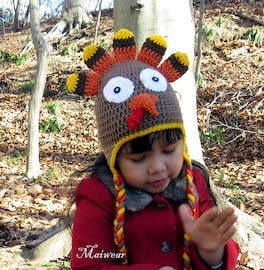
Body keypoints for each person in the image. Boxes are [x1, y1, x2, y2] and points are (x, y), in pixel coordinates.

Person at [67, 28, 240, 270]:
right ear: (113, 157)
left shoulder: (193, 182)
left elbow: (222, 254)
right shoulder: (99, 196)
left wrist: (212, 251)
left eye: (169, 150)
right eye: (138, 158)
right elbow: (88, 264)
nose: (158, 167)